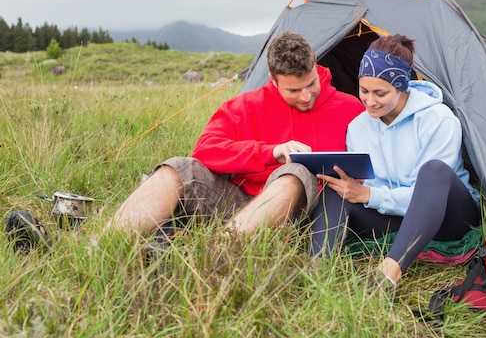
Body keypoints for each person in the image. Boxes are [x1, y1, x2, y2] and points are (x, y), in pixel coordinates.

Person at [101, 31, 364, 245]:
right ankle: (103, 244)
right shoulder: (245, 106)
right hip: (237, 202)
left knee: (294, 172)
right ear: (273, 79)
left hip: (304, 215)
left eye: (311, 85)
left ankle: (216, 253)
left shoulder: (350, 108)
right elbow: (205, 150)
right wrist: (269, 152)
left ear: (317, 69)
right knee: (179, 168)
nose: (306, 96)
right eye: (294, 90)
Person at [309, 34, 481, 294]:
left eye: (380, 93)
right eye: (364, 90)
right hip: (394, 216)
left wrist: (368, 194)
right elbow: (366, 187)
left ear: (401, 86)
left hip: (448, 217)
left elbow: (426, 193)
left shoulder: (438, 119)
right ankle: (315, 271)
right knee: (338, 189)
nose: (369, 101)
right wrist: (356, 189)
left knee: (434, 170)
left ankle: (389, 273)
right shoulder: (358, 127)